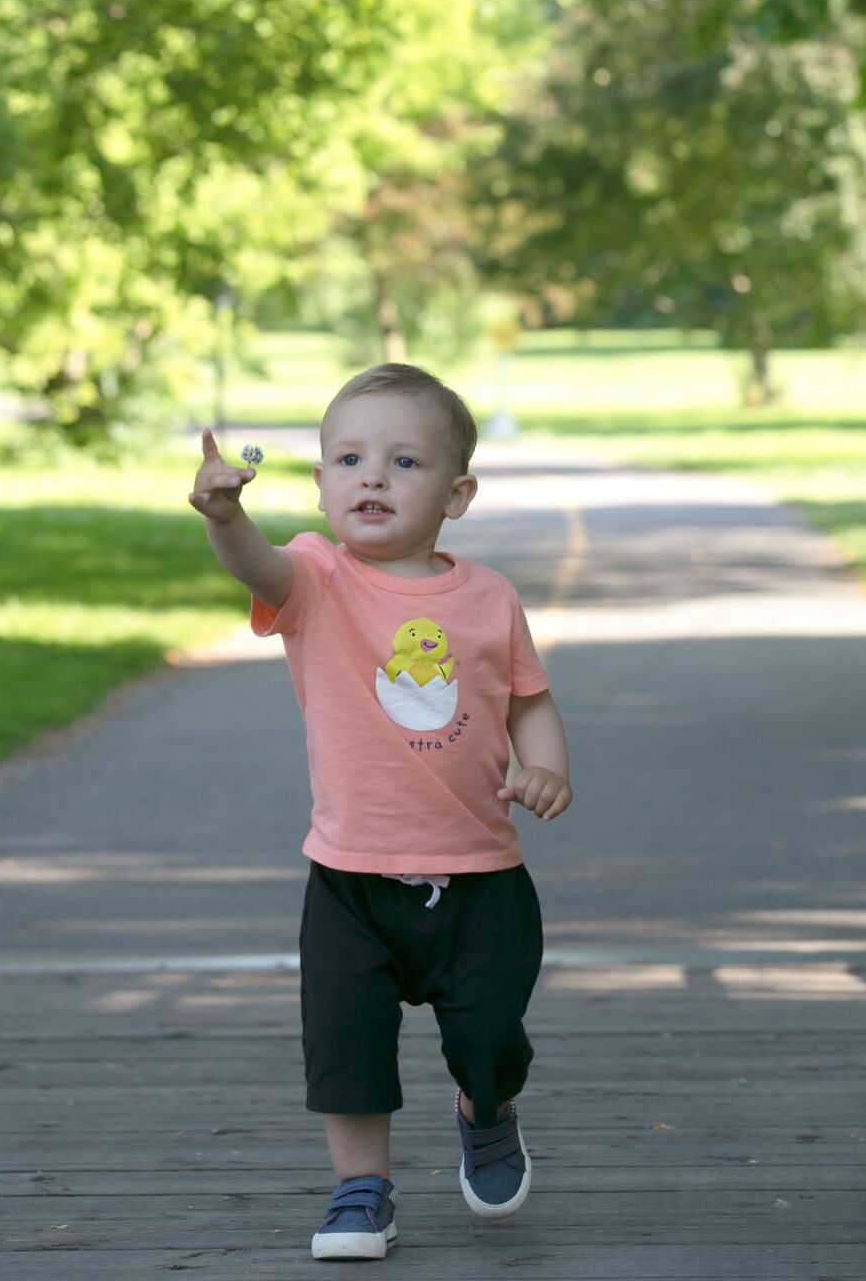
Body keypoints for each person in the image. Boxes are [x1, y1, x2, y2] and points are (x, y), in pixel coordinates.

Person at [188, 363, 572, 1261]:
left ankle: (486, 1107)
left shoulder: (488, 598)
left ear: (456, 494)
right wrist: (225, 517)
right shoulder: (317, 577)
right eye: (349, 459)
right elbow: (256, 565)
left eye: (404, 462)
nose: (372, 477)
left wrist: (546, 765)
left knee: (490, 1036)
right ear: (320, 483)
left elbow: (527, 699)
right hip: (350, 877)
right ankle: (360, 1189)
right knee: (346, 1042)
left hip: (479, 877)